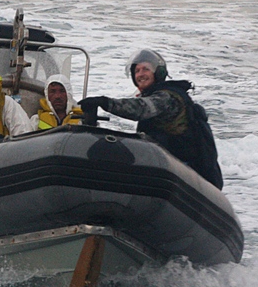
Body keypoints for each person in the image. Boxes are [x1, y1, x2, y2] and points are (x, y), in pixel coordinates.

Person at [78, 50, 224, 189]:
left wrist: (105, 102)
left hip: (187, 173)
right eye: (137, 71)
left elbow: (140, 109)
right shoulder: (160, 95)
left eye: (145, 69)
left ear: (158, 72)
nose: (140, 74)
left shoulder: (167, 97)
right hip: (171, 168)